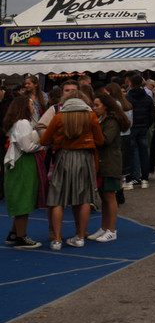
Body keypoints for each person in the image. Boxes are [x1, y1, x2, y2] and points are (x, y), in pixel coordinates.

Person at [40, 93, 103, 250]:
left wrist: (59, 138)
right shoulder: (91, 116)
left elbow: (44, 140)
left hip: (64, 157)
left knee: (57, 198)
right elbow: (100, 140)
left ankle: (56, 240)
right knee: (84, 198)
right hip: (84, 158)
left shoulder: (59, 117)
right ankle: (80, 237)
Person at [3, 95, 44, 249]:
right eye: (31, 104)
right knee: (23, 198)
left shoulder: (16, 123)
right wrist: (43, 145)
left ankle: (14, 233)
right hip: (22, 163)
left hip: (17, 162)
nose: (33, 107)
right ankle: (21, 236)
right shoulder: (24, 123)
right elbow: (27, 147)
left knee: (21, 197)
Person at [89, 91, 129, 243]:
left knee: (109, 196)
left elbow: (105, 140)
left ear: (105, 106)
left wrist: (93, 132)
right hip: (103, 162)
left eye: (97, 105)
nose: (94, 107)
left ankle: (111, 229)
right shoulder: (103, 119)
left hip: (110, 162)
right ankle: (104, 227)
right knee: (104, 196)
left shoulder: (111, 121)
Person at [125, 74, 154, 189]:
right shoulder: (147, 98)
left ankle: (131, 178)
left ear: (130, 83)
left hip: (132, 128)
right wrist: (147, 125)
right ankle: (145, 179)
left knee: (131, 153)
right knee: (144, 154)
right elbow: (152, 114)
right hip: (143, 127)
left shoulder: (127, 98)